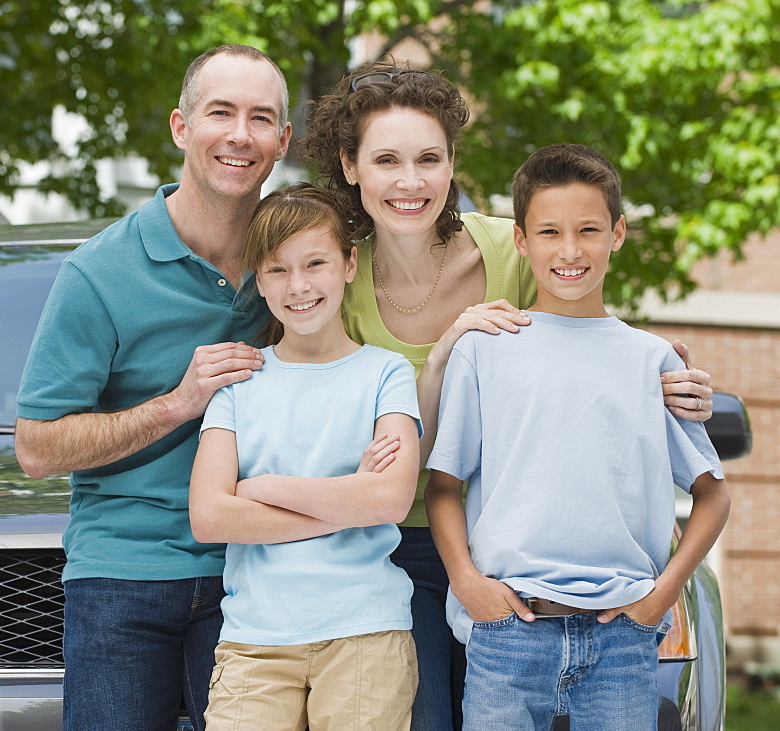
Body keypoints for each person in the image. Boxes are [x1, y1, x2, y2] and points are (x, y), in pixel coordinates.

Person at [301, 62, 716, 730]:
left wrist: (664, 378)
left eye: (429, 158)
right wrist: (440, 357)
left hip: (512, 551)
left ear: (452, 162)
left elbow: (584, 336)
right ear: (351, 167)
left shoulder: (515, 248)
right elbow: (333, 437)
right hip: (380, 548)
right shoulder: (330, 279)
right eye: (386, 160)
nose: (411, 182)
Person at [14, 45, 291, 730]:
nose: (239, 134)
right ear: (180, 127)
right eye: (220, 112)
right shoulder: (98, 273)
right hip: (123, 573)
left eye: (261, 119)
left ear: (283, 142)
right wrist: (179, 401)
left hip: (252, 570)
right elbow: (37, 448)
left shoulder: (295, 264)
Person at [424, 143, 731, 729]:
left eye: (588, 230)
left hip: (622, 640)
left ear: (617, 233)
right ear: (521, 241)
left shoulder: (653, 359)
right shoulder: (484, 351)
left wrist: (659, 598)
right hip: (508, 633)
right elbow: (443, 485)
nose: (569, 251)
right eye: (549, 232)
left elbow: (714, 493)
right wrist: (467, 583)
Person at [189, 183, 422, 730]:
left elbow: (389, 498)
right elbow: (211, 516)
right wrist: (347, 501)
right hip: (255, 641)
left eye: (315, 263)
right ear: (259, 281)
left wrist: (265, 487)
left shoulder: (385, 373)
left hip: (366, 631)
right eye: (277, 270)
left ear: (348, 264)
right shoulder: (238, 383)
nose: (299, 286)